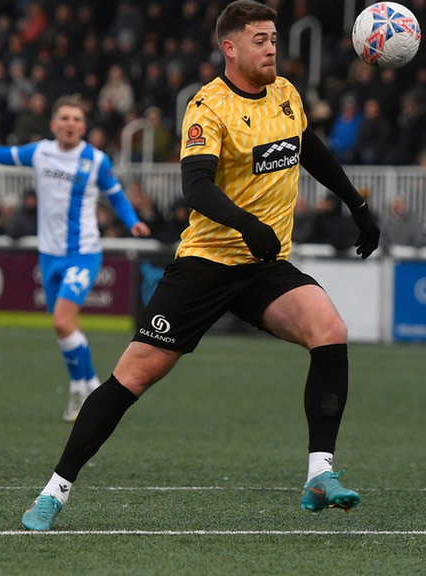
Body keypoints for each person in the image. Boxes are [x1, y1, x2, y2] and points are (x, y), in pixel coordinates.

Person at [20, 0, 380, 531]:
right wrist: (247, 224)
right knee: (133, 377)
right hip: (207, 263)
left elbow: (310, 149)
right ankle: (54, 491)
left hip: (264, 267)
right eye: (260, 39)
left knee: (330, 331)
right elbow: (197, 187)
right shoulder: (208, 106)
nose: (272, 47)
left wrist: (358, 205)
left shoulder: (285, 94)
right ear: (229, 47)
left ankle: (319, 474)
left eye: (275, 37)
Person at [0, 95, 150, 422]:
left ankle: (91, 387)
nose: (70, 124)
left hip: (83, 254)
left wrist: (132, 220)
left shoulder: (95, 160)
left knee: (62, 321)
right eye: (64, 118)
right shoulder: (39, 152)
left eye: (77, 119)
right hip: (49, 256)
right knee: (65, 328)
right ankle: (81, 389)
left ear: (84, 126)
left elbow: (116, 195)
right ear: (53, 125)